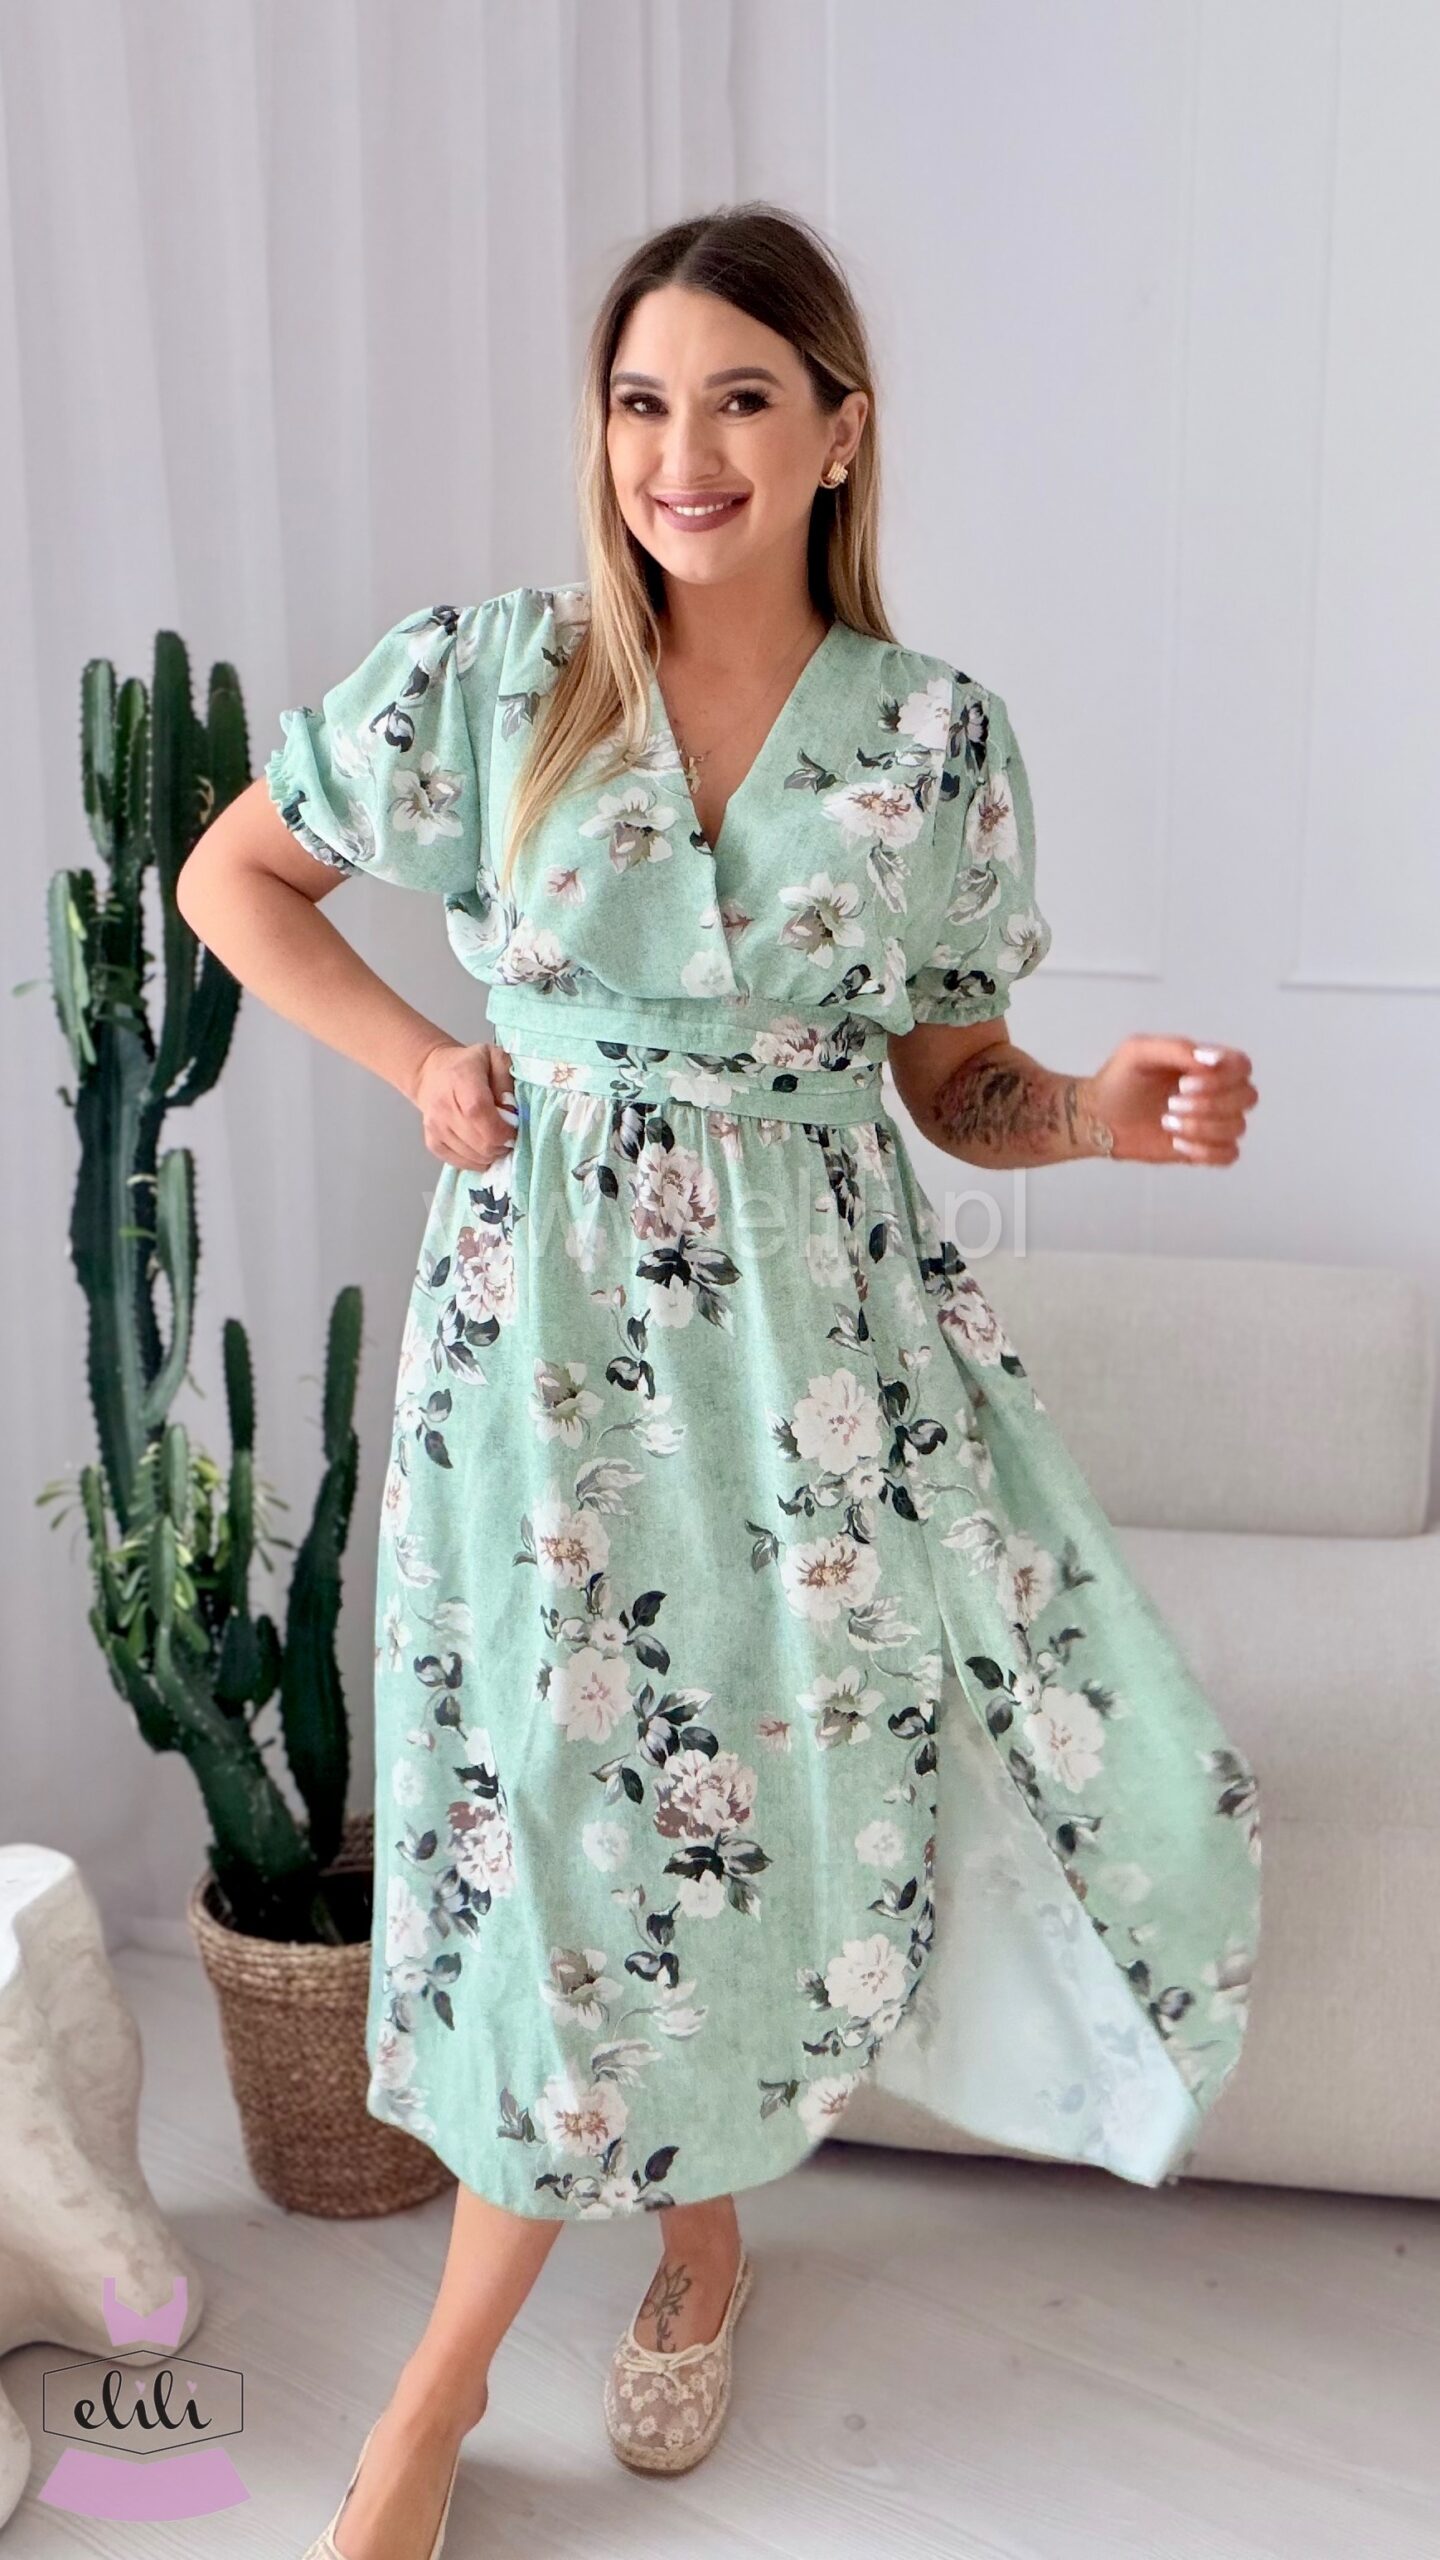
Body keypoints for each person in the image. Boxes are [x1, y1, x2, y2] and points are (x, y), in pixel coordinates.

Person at [180, 201, 1263, 2560]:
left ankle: (702, 2237)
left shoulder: (932, 738)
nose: (684, 450)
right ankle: (439, 2394)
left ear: (840, 431)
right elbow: (230, 879)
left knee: (742, 1801)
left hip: (809, 1365)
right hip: (541, 1352)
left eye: (743, 397)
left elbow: (955, 1083)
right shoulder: (495, 675)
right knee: (556, 1819)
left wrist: (1096, 1114)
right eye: (644, 400)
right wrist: (419, 1060)